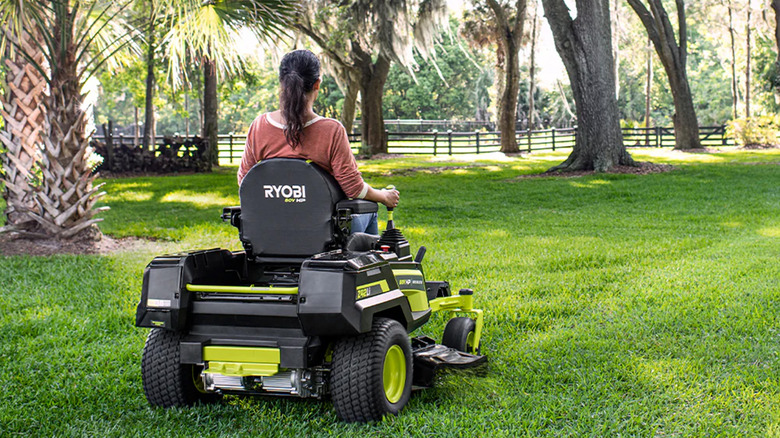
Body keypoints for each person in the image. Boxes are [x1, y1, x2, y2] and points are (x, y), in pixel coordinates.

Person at [237, 49, 398, 235]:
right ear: (317, 84)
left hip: (270, 232)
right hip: (322, 234)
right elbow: (353, 189)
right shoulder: (331, 130)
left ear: (282, 83)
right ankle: (369, 261)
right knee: (368, 210)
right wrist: (383, 196)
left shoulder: (259, 126)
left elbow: (245, 182)